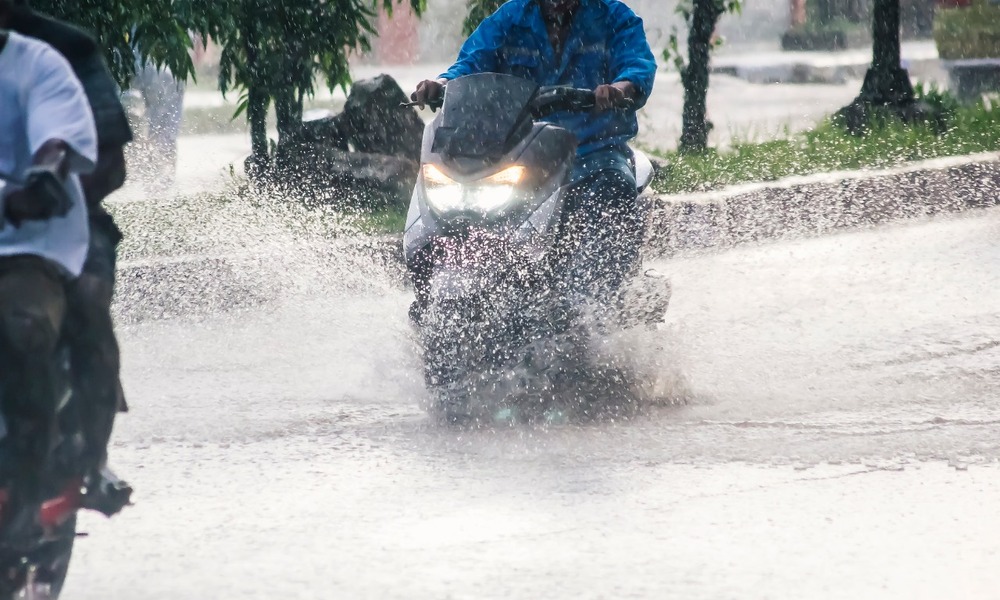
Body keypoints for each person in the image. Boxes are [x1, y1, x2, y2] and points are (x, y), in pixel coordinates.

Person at [409, 0, 656, 308]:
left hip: (592, 152)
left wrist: (620, 88)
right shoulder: (511, 18)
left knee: (612, 190)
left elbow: (638, 67)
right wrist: (441, 84)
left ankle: (595, 308)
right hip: (528, 149)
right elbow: (470, 64)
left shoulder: (615, 17)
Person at [2, 0, 131, 485]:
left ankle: (92, 457)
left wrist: (48, 194)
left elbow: (108, 163)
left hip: (59, 220)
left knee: (86, 299)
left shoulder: (64, 51)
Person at [0, 24, 96, 511]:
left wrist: (38, 186)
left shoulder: (39, 66)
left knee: (21, 326)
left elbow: (56, 143)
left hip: (24, 242)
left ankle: (28, 486)